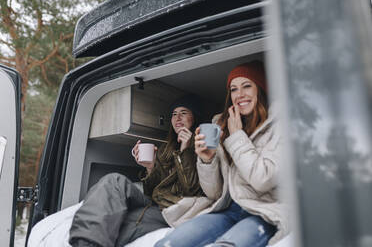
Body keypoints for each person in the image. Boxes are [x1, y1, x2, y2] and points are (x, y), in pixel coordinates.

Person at [155, 61, 289, 247]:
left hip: (263, 211)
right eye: (233, 89)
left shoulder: (280, 124)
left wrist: (237, 137)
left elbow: (262, 180)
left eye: (247, 86)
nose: (239, 94)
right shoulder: (222, 126)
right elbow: (215, 193)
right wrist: (207, 160)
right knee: (167, 244)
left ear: (261, 89)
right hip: (228, 209)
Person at [69, 95, 205, 247]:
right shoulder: (166, 150)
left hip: (176, 209)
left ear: (194, 117)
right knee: (114, 180)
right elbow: (151, 191)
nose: (177, 117)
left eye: (184, 112)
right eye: (174, 114)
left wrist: (185, 150)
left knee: (118, 225)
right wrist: (150, 166)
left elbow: (192, 190)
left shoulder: (203, 148)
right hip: (155, 203)